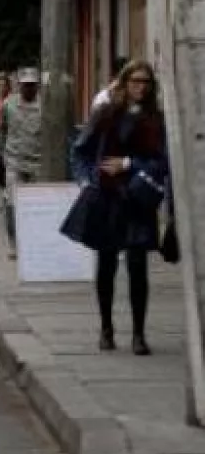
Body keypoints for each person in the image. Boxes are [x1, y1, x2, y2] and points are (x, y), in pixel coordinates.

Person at [71, 60, 169, 356]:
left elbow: (163, 162)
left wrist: (129, 164)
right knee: (107, 265)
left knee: (138, 267)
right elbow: (80, 151)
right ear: (125, 83)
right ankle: (106, 328)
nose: (141, 87)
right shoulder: (106, 114)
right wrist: (87, 181)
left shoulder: (157, 119)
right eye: (136, 81)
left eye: (146, 82)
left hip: (139, 198)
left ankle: (139, 333)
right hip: (108, 198)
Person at [0, 68, 42, 256]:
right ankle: (14, 243)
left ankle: (34, 240)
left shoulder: (45, 106)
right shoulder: (9, 104)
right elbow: (1, 130)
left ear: (37, 86)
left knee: (38, 205)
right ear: (19, 86)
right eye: (25, 85)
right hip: (14, 160)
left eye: (32, 85)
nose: (28, 89)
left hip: (39, 162)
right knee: (12, 204)